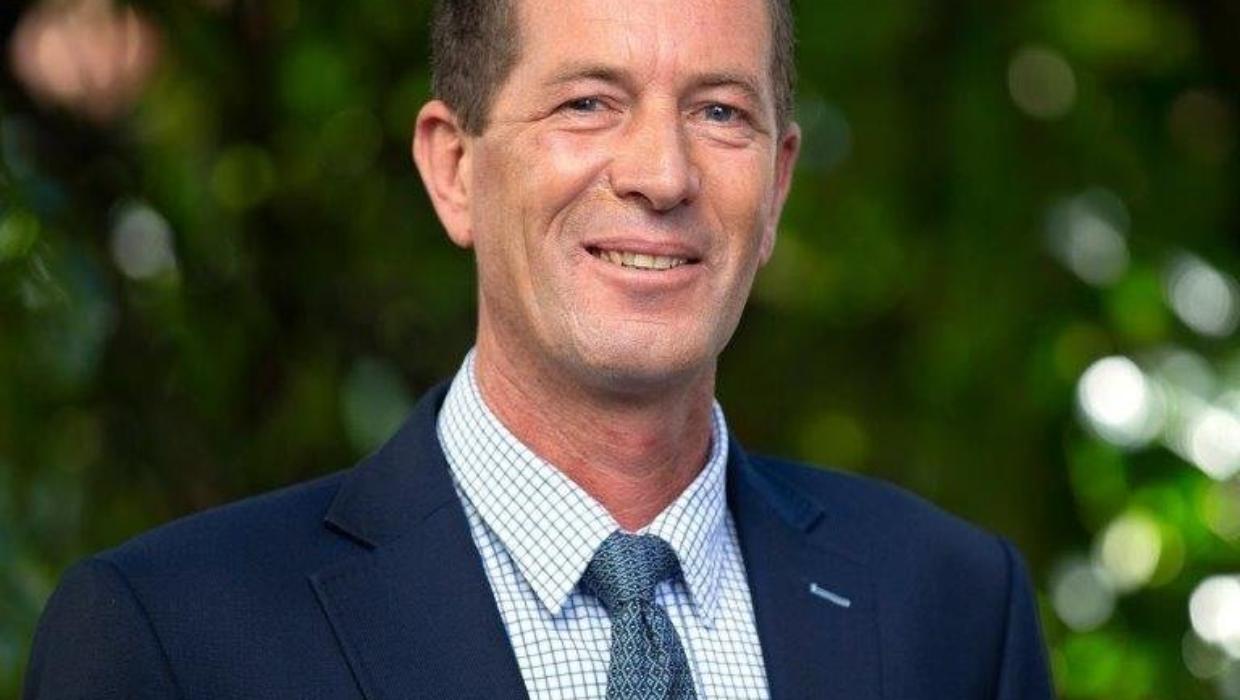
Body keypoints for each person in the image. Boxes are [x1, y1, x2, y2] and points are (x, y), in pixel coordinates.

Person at [24, 0, 1054, 697]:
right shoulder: (172, 637)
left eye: (719, 111)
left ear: (777, 185)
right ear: (454, 169)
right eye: (587, 103)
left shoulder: (954, 609)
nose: (662, 174)